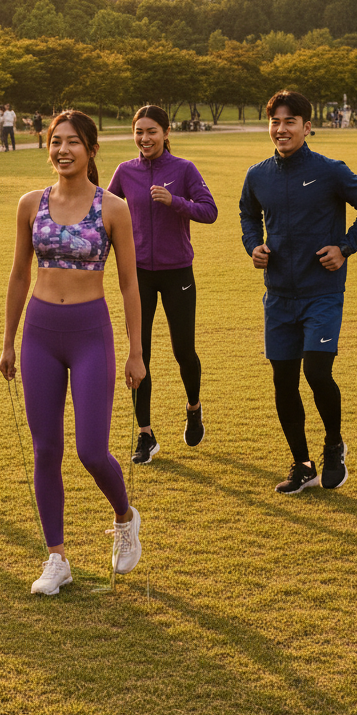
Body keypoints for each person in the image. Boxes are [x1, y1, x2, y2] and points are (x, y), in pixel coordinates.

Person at [0, 110, 145, 595]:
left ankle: (125, 518)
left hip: (89, 333)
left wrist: (135, 352)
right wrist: (7, 341)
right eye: (55, 142)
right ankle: (56, 558)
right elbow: (19, 274)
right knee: (45, 449)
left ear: (91, 150)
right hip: (40, 331)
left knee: (89, 449)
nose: (63, 150)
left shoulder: (113, 208)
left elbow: (129, 284)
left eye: (73, 143)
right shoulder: (30, 204)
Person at [240, 90, 357, 495]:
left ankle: (334, 444)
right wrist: (254, 245)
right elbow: (248, 214)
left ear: (306, 125)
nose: (281, 129)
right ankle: (303, 465)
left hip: (321, 291)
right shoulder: (258, 174)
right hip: (279, 295)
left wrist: (346, 247)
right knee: (283, 382)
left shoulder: (330, 171)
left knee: (317, 371)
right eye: (275, 122)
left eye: (290, 121)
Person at [107, 105, 217, 464]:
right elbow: (104, 212)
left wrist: (176, 202)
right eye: (139, 132)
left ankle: (194, 406)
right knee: (139, 353)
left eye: (152, 131)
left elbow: (209, 211)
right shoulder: (125, 172)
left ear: (167, 132)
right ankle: (145, 435)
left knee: (184, 350)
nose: (144, 138)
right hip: (137, 273)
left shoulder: (183, 169)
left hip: (178, 272)